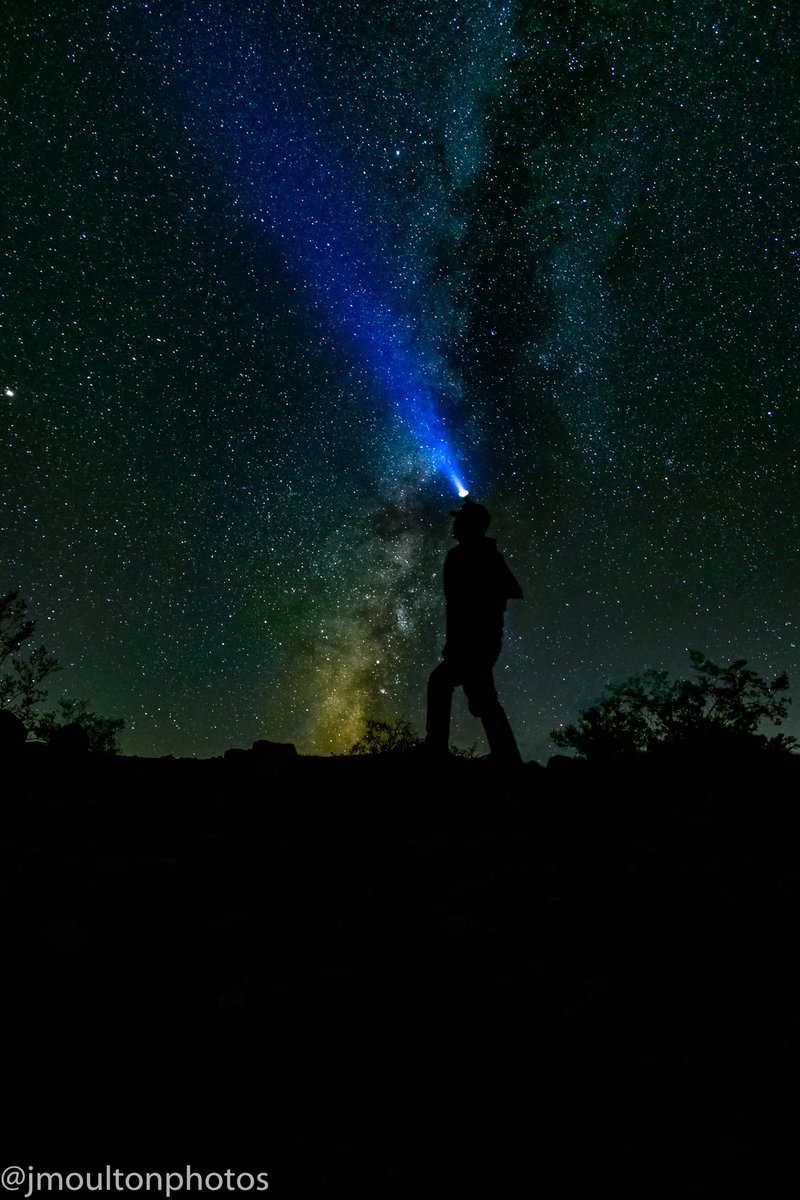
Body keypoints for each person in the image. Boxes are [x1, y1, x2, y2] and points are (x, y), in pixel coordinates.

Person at [424, 497, 524, 764]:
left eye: (460, 521)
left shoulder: (481, 555)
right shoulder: (465, 555)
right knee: (481, 697)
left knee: (465, 691)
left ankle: (437, 750)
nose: (454, 525)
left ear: (471, 525)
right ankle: (507, 756)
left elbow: (502, 595)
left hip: (477, 643)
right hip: (472, 642)